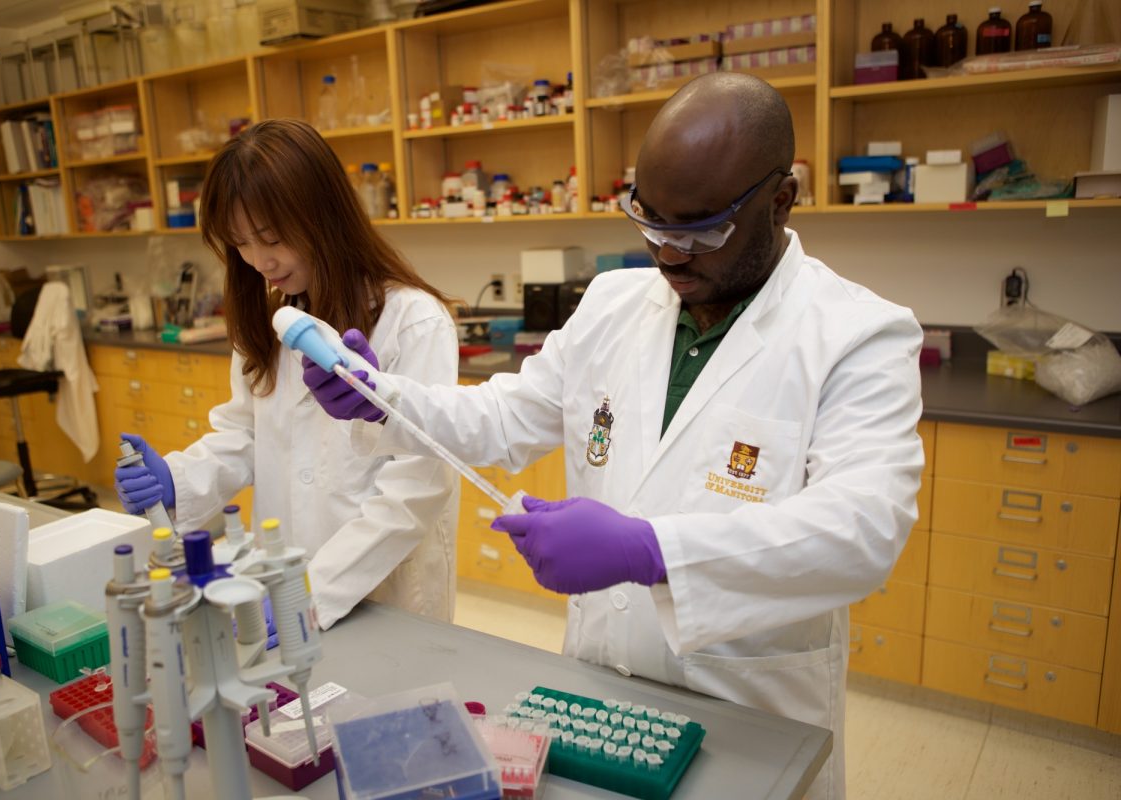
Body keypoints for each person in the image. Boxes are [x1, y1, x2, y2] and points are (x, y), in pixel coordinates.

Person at [305, 73, 924, 800]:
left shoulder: (858, 334)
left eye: (699, 231)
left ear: (781, 199)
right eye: (650, 222)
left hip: (750, 714)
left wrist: (651, 551)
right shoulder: (613, 303)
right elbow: (506, 417)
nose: (668, 254)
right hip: (599, 692)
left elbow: (863, 531)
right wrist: (385, 400)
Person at [114, 118, 460, 630]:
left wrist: (314, 592)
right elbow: (245, 435)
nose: (258, 261)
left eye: (270, 239)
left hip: (384, 593)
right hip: (282, 577)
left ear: (323, 217)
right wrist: (177, 480)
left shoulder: (412, 321)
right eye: (240, 245)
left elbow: (416, 489)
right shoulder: (270, 320)